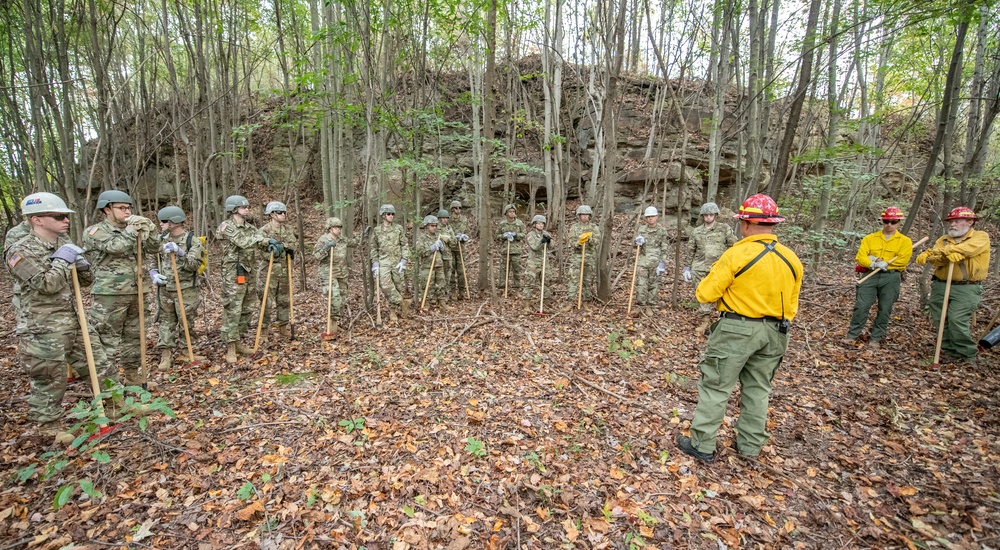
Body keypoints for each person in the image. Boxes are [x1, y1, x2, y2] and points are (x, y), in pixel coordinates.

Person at [677, 194, 803, 464]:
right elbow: (792, 305)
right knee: (758, 389)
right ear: (773, 224)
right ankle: (749, 447)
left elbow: (705, 294)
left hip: (736, 329)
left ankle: (702, 444)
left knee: (716, 386)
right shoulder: (791, 259)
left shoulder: (735, 254)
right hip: (776, 332)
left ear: (745, 224)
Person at [6, 192, 118, 429]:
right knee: (50, 377)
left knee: (99, 364)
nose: (66, 220)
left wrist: (82, 265)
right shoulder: (19, 251)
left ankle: (115, 406)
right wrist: (62, 260)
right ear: (37, 220)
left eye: (66, 216)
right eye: (58, 217)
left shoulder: (62, 244)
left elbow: (85, 282)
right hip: (43, 327)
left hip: (74, 320)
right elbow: (47, 284)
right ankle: (49, 426)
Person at [83, 190, 160, 388]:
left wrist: (150, 230)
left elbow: (155, 248)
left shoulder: (135, 229)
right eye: (122, 208)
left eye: (129, 208)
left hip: (138, 290)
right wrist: (132, 230)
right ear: (107, 209)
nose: (127, 212)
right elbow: (116, 247)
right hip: (110, 294)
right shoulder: (95, 231)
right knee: (106, 339)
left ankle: (132, 376)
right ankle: (108, 385)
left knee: (135, 337)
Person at [916, 206, 991, 364]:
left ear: (970, 222)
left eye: (957, 221)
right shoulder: (943, 240)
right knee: (940, 319)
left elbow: (969, 249)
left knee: (957, 319)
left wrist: (946, 251)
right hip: (941, 285)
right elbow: (936, 259)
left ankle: (967, 353)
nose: (953, 224)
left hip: (966, 287)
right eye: (951, 221)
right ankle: (949, 350)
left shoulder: (980, 237)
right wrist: (937, 255)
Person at [217, 195, 283, 363]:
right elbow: (243, 242)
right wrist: (265, 240)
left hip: (249, 272)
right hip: (233, 273)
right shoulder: (226, 227)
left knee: (247, 308)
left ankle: (238, 341)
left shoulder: (250, 228)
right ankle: (230, 347)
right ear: (233, 209)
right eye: (243, 207)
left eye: (247, 207)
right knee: (233, 309)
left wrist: (270, 244)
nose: (247, 209)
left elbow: (258, 241)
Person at [843, 207, 913, 350]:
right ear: (882, 221)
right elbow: (861, 257)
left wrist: (885, 263)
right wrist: (874, 263)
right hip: (870, 274)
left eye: (893, 222)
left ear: (899, 222)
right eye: (886, 221)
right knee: (861, 306)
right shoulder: (870, 238)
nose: (889, 225)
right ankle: (852, 335)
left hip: (891, 277)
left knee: (885, 308)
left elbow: (902, 261)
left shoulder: (905, 241)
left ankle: (876, 337)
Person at [153, 206, 206, 370]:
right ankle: (166, 354)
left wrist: (181, 253)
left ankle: (186, 350)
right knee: (166, 322)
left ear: (174, 222)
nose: (160, 224)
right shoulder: (160, 240)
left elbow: (194, 266)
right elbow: (152, 258)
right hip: (165, 288)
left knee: (186, 321)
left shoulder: (192, 241)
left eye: (164, 221)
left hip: (186, 289)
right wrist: (153, 272)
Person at [686, 202, 738, 335]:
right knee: (702, 293)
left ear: (715, 215)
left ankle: (722, 319)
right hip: (699, 267)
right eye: (706, 215)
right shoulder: (696, 231)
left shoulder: (724, 229)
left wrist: (732, 263)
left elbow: (734, 245)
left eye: (711, 214)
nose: (708, 217)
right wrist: (686, 267)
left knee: (722, 293)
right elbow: (690, 250)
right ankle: (705, 320)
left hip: (718, 267)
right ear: (702, 216)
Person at [259, 201, 298, 339]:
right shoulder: (264, 231)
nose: (283, 215)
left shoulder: (288, 229)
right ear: (272, 214)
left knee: (284, 300)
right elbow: (259, 248)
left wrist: (283, 246)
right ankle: (263, 330)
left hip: (284, 268)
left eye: (284, 212)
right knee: (266, 301)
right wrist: (270, 249)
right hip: (268, 270)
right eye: (280, 212)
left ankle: (282, 327)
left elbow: (293, 244)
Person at [313, 217, 356, 333]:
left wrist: (364, 236)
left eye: (339, 227)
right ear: (329, 228)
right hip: (329, 273)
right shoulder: (323, 240)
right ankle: (331, 326)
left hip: (342, 273)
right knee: (335, 299)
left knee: (342, 299)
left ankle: (335, 324)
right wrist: (326, 248)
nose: (338, 229)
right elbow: (316, 256)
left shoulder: (342, 240)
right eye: (335, 227)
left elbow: (354, 243)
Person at [370, 204, 411, 323]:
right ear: (383, 215)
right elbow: (374, 248)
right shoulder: (377, 230)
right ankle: (402, 303)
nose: (391, 216)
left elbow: (404, 244)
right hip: (384, 262)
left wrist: (404, 260)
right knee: (386, 285)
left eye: (392, 214)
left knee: (398, 286)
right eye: (389, 214)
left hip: (397, 262)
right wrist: (375, 263)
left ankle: (393, 311)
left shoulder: (398, 228)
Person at [633, 206, 670, 317]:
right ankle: (641, 306)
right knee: (641, 284)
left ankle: (650, 306)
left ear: (657, 217)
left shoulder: (662, 231)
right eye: (648, 216)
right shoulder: (641, 229)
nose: (650, 218)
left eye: (652, 216)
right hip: (643, 261)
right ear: (645, 218)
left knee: (654, 285)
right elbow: (636, 245)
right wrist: (637, 242)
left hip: (656, 262)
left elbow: (665, 248)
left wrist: (662, 264)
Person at [564, 205, 602, 310]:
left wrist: (590, 239)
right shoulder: (574, 227)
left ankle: (585, 302)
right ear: (579, 216)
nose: (585, 216)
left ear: (590, 216)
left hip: (589, 257)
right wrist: (578, 243)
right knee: (573, 279)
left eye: (586, 215)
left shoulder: (594, 227)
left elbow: (597, 241)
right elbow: (570, 242)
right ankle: (570, 302)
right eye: (582, 215)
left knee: (588, 280)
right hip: (577, 257)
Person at [416, 215, 449, 310]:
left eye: (435, 225)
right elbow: (419, 252)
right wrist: (431, 248)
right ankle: (426, 303)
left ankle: (442, 302)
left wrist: (442, 248)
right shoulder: (422, 238)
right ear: (427, 226)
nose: (434, 227)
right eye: (432, 226)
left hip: (439, 265)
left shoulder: (438, 237)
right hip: (428, 265)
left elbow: (445, 252)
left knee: (441, 284)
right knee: (427, 285)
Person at [5, 218, 31, 337]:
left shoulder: (54, 230)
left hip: (52, 288)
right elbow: (12, 263)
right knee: (27, 331)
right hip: (25, 290)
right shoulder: (15, 233)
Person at [522, 214, 553, 308]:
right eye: (538, 223)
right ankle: (527, 304)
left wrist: (549, 241)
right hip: (533, 262)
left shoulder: (546, 234)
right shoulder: (530, 235)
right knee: (529, 282)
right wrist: (541, 241)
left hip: (544, 261)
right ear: (534, 224)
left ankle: (546, 302)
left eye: (542, 224)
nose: (541, 225)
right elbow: (534, 247)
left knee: (546, 281)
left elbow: (552, 247)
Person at [496, 204, 525, 292]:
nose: (512, 213)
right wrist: (504, 236)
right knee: (503, 271)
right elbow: (497, 235)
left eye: (513, 212)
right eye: (510, 212)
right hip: (505, 250)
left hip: (516, 251)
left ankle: (517, 288)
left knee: (517, 270)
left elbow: (524, 234)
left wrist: (516, 235)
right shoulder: (502, 224)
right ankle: (502, 289)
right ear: (506, 213)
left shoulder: (519, 223)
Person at [448, 201, 472, 299]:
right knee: (451, 270)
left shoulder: (464, 220)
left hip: (461, 248)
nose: (458, 210)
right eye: (456, 208)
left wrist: (464, 236)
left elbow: (468, 232)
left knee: (461, 271)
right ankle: (453, 291)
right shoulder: (448, 220)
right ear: (452, 209)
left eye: (460, 208)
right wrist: (452, 238)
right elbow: (445, 233)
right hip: (450, 248)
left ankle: (461, 291)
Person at [435, 209, 456, 301]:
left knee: (448, 276)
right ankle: (438, 294)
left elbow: (454, 243)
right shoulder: (436, 227)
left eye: (446, 218)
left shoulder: (449, 228)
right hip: (438, 256)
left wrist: (449, 239)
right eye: (443, 218)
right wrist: (440, 238)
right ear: (439, 218)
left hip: (447, 256)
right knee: (439, 277)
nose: (445, 220)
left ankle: (445, 294)